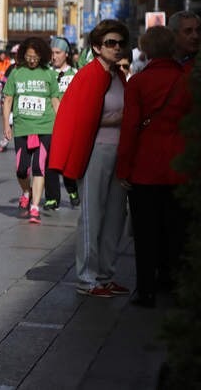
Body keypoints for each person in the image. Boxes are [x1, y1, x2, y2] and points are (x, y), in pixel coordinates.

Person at [50, 19, 131, 298]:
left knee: (115, 216)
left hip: (118, 152)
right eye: (110, 43)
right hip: (95, 151)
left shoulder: (118, 75)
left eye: (120, 43)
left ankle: (105, 275)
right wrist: (118, 118)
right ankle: (87, 278)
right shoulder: (89, 74)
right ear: (97, 47)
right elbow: (82, 117)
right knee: (92, 215)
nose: (117, 47)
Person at [117, 26, 191, 307]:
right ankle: (174, 284)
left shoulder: (138, 83)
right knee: (177, 230)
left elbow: (130, 129)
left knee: (146, 233)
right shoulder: (187, 81)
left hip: (145, 169)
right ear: (174, 48)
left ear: (145, 50)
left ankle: (146, 289)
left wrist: (124, 168)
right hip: (179, 167)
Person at [2, 37, 60, 224]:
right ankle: (27, 191)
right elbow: (8, 100)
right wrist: (6, 125)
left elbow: (55, 100)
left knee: (39, 167)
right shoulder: (16, 73)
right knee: (21, 170)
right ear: (22, 55)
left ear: (41, 56)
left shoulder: (49, 74)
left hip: (45, 126)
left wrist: (60, 124)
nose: (32, 59)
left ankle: (34, 207)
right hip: (22, 127)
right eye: (28, 56)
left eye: (35, 56)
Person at [45, 36, 79, 209]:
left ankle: (72, 189)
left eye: (58, 53)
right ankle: (52, 197)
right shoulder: (46, 73)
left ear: (66, 54)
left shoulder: (75, 75)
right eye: (52, 53)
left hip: (70, 125)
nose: (54, 56)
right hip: (50, 125)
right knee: (49, 161)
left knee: (67, 161)